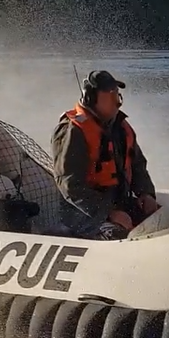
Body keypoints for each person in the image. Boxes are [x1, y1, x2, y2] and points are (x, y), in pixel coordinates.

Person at [50, 70, 159, 240]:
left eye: (117, 94)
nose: (117, 101)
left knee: (160, 218)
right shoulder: (73, 131)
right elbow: (70, 185)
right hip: (82, 212)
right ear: (92, 99)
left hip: (117, 203)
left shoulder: (120, 127)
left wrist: (146, 193)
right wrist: (108, 213)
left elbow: (137, 165)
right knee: (116, 233)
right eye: (111, 95)